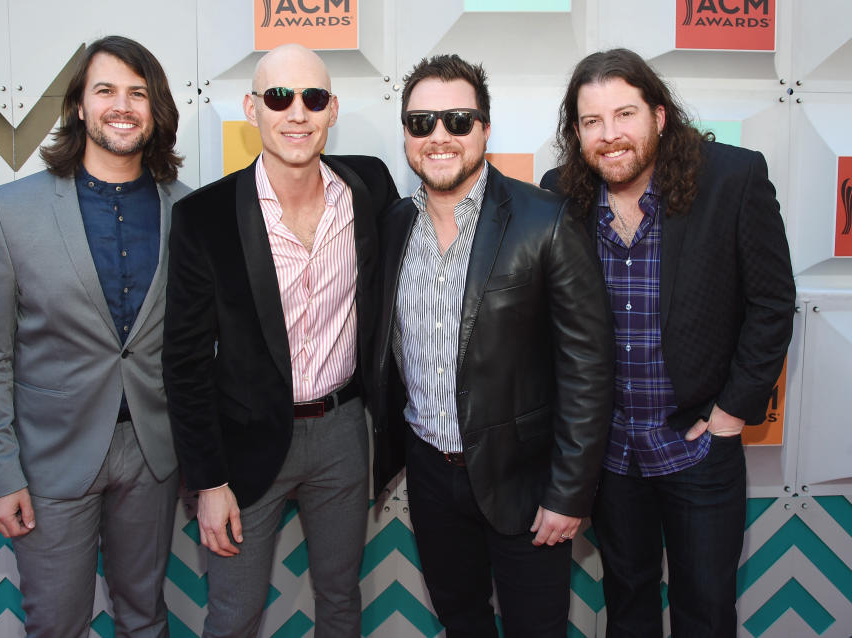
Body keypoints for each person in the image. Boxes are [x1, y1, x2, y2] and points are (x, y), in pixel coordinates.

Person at [541, 48, 795, 637]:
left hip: (697, 446)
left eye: (624, 114)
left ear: (659, 114)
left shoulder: (732, 179)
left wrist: (731, 414)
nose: (610, 136)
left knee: (705, 610)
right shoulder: (561, 196)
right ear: (576, 132)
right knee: (627, 602)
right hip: (610, 457)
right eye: (591, 122)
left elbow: (772, 304)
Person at [371, 53, 614, 638]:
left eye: (457, 120)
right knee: (462, 623)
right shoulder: (394, 224)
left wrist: (569, 492)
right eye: (421, 122)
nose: (439, 137)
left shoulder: (545, 221)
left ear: (484, 128)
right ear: (405, 133)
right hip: (430, 476)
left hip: (525, 482)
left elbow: (589, 368)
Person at [162, 44, 398, 638]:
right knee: (234, 614)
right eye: (278, 97)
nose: (297, 113)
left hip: (344, 432)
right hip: (242, 445)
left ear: (333, 109)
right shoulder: (205, 216)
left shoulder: (368, 186)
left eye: (313, 98)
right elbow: (185, 363)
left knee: (341, 600)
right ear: (251, 108)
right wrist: (208, 480)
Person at [0, 35, 190, 637]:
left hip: (153, 455)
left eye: (138, 93)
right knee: (56, 624)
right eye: (106, 90)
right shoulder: (11, 212)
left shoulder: (189, 213)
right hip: (48, 461)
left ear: (156, 109)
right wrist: (0, 474)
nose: (123, 105)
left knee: (145, 618)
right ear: (79, 107)